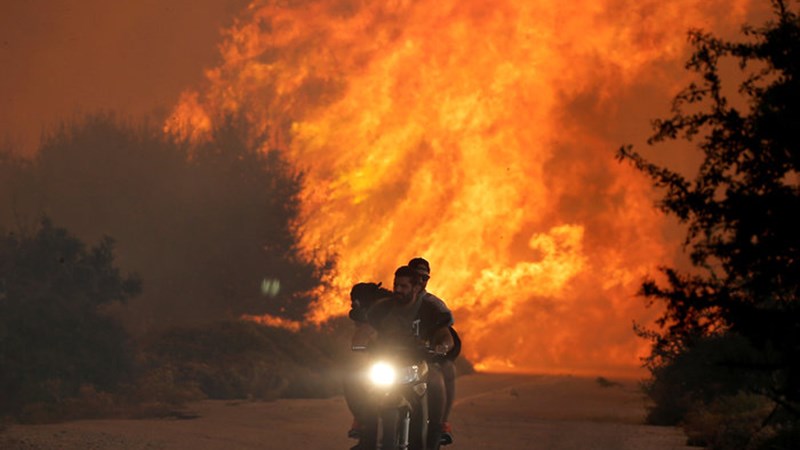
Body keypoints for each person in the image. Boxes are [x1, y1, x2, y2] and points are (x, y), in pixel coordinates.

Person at [346, 266, 454, 450]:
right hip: (387, 363)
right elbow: (366, 329)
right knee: (353, 378)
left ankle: (435, 433)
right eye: (396, 285)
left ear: (416, 288)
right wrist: (360, 343)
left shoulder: (430, 308)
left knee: (436, 382)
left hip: (419, 363)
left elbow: (445, 335)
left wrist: (442, 346)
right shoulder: (382, 308)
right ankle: (364, 432)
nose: (398, 290)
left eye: (404, 286)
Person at [408, 257, 459, 446]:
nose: (420, 282)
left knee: (443, 374)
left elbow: (446, 335)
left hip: (423, 360)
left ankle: (439, 426)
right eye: (415, 277)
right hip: (394, 359)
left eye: (424, 278)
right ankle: (364, 424)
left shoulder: (434, 306)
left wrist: (442, 347)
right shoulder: (390, 303)